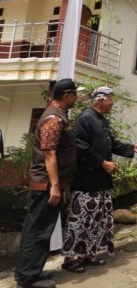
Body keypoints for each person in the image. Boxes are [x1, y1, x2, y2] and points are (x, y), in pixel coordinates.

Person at [62, 86, 137, 272]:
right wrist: (102, 163)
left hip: (100, 180)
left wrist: (132, 148)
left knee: (96, 219)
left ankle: (87, 254)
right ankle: (69, 259)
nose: (112, 102)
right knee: (80, 219)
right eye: (110, 98)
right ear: (100, 100)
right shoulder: (86, 118)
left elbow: (112, 143)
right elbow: (81, 147)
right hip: (86, 180)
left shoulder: (101, 120)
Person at [15, 78, 80, 288]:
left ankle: (28, 274)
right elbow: (49, 154)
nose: (77, 98)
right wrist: (54, 185)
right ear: (67, 95)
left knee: (39, 230)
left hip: (49, 184)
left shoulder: (59, 115)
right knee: (38, 231)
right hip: (46, 185)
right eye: (75, 94)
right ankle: (27, 279)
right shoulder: (53, 118)